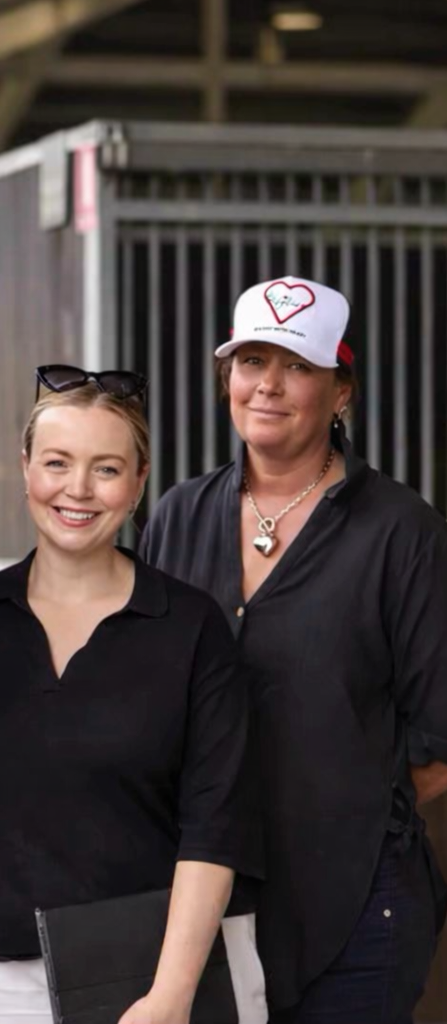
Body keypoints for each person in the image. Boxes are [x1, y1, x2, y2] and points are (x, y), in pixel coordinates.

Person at [0, 367, 266, 1024]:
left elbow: (214, 832)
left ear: (139, 482)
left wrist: (170, 995)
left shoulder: (192, 629)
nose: (78, 488)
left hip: (143, 986)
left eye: (106, 469)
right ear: (26, 470)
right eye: (57, 463)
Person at [140, 276, 447, 1023]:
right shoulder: (177, 516)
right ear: (227, 379)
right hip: (196, 906)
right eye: (251, 361)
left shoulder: (403, 532)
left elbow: (439, 743)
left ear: (341, 391)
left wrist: (336, 808)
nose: (268, 386)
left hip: (355, 907)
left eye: (298, 365)